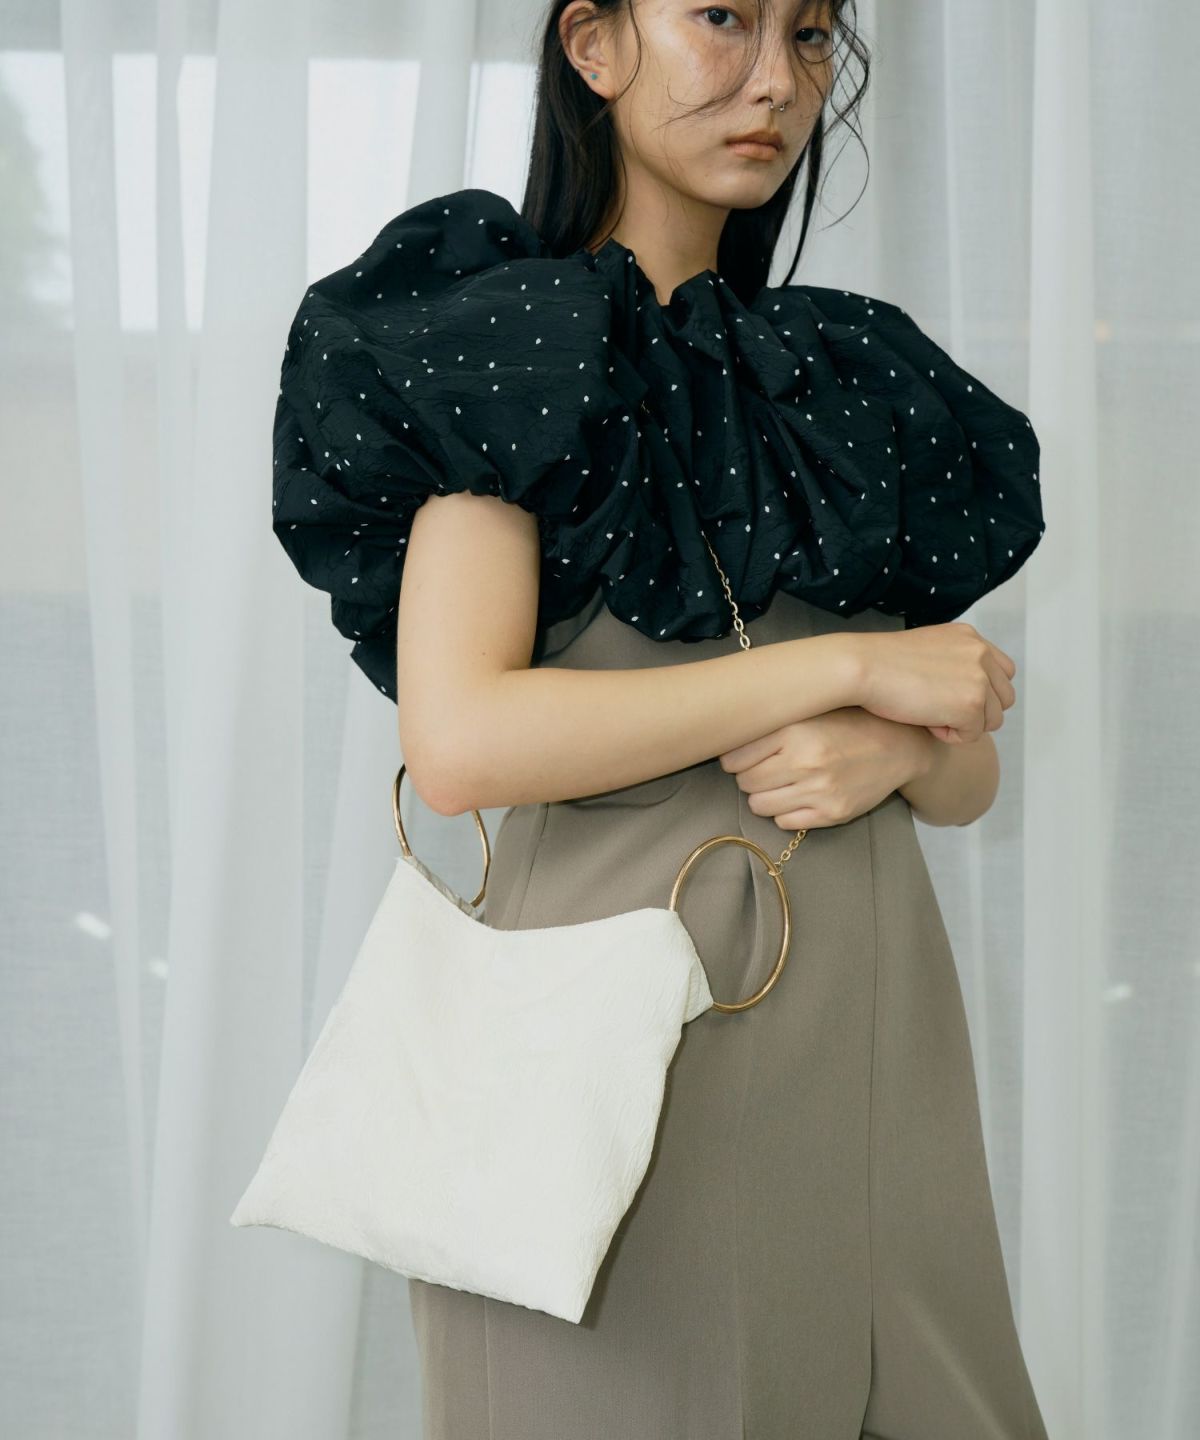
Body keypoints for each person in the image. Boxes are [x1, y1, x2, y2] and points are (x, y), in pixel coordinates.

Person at [270, 2, 1052, 1436]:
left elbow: (967, 772)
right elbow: (460, 745)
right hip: (613, 1092)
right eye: (721, 19)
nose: (776, 79)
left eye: (810, 35)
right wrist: (841, 671)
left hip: (877, 1073)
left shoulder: (842, 374)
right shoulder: (505, 346)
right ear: (593, 44)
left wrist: (895, 747)